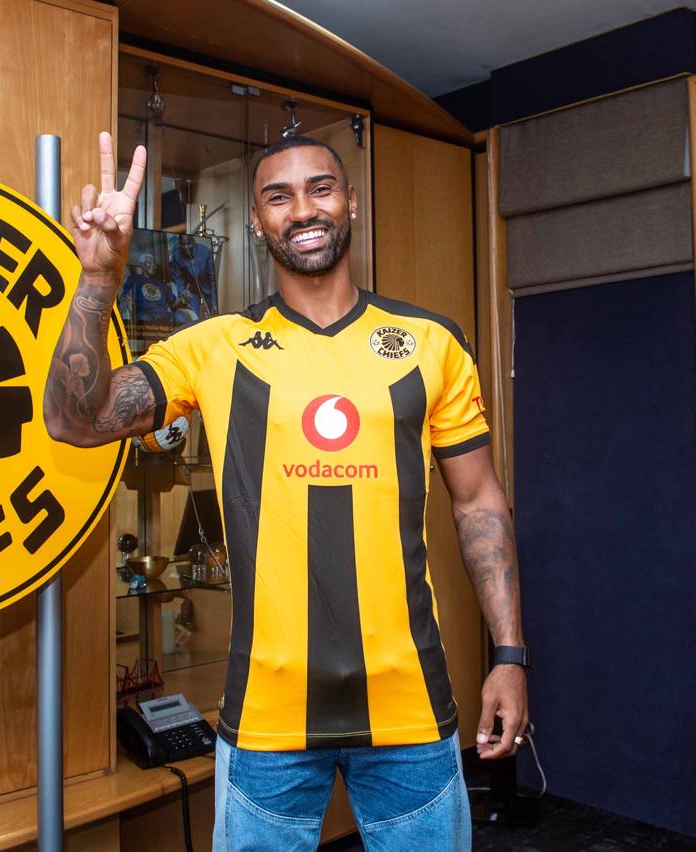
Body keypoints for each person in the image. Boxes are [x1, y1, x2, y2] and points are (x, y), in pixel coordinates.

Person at [45, 131, 529, 852]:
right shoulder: (213, 346)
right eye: (279, 196)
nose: (302, 209)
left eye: (320, 188)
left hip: (410, 709)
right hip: (267, 718)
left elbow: (479, 502)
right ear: (256, 220)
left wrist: (510, 656)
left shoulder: (430, 342)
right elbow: (72, 420)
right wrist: (97, 279)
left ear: (351, 202)